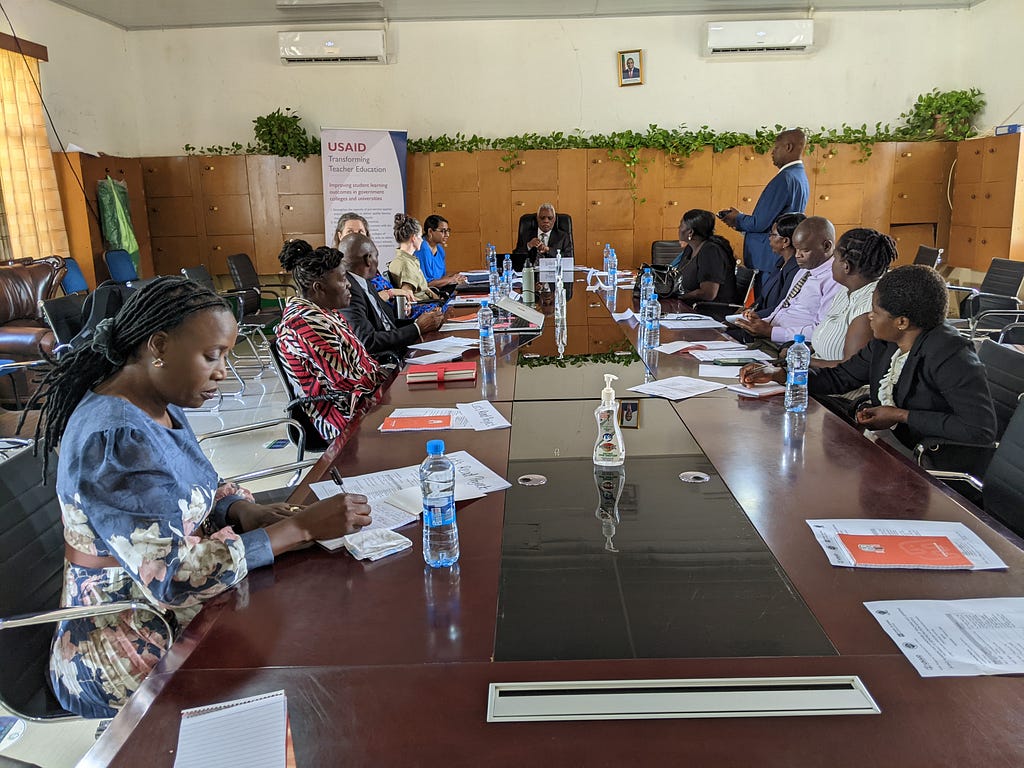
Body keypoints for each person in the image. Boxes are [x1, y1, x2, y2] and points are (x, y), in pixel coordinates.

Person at [24, 276, 371, 717]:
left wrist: (242, 509)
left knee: (315, 619)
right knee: (307, 661)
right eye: (212, 356)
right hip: (124, 640)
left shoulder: (157, 403)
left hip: (174, 606)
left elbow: (199, 484)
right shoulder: (114, 438)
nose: (223, 372)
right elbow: (170, 579)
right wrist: (297, 528)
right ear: (160, 347)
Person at [739, 265, 997, 453]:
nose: (870, 317)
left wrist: (900, 415)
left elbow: (980, 430)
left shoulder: (950, 354)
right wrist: (780, 374)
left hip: (929, 461)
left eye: (875, 312)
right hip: (887, 446)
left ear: (902, 322)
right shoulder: (886, 343)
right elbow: (840, 377)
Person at [276, 240, 391, 442]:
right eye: (343, 279)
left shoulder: (326, 312)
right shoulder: (305, 324)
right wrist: (389, 379)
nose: (348, 284)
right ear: (319, 287)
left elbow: (361, 363)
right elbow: (346, 383)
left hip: (365, 401)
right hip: (341, 418)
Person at [720, 128, 810, 298]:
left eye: (776, 148)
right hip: (780, 251)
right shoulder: (800, 177)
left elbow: (760, 223)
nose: (772, 152)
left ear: (788, 147)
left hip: (768, 256)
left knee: (766, 303)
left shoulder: (784, 179)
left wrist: (737, 219)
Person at [731, 216, 842, 345]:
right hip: (771, 336)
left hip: (792, 345)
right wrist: (762, 322)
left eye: (805, 250)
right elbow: (785, 306)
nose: (797, 255)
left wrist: (771, 332)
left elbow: (822, 330)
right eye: (796, 248)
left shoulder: (835, 279)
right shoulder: (805, 270)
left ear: (827, 246)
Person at [339, 232, 444, 357]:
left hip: (398, 347)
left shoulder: (363, 281)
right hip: (386, 359)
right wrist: (417, 328)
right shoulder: (348, 290)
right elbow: (368, 341)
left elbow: (387, 324)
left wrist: (423, 322)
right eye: (376, 256)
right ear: (368, 259)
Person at [810, 228, 897, 366]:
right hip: (819, 375)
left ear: (846, 266)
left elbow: (850, 369)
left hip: (843, 385)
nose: (832, 263)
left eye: (834, 258)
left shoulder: (869, 306)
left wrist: (801, 361)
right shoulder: (846, 290)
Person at [332, 212, 416, 306]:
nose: (356, 235)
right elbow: (364, 301)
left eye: (360, 232)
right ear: (340, 236)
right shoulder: (338, 270)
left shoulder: (370, 261)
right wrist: (391, 293)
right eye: (350, 232)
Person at [669, 209, 739, 305]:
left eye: (681, 225)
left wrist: (680, 297)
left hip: (708, 310)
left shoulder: (710, 251)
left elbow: (708, 294)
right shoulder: (690, 248)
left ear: (690, 232)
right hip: (687, 305)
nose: (678, 228)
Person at [753, 212, 806, 317]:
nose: (769, 238)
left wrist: (754, 316)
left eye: (772, 235)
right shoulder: (780, 263)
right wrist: (749, 310)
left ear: (785, 241)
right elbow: (762, 298)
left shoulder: (797, 270)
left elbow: (781, 307)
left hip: (770, 325)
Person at [390, 213, 444, 304]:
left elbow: (424, 287)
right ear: (414, 238)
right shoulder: (405, 264)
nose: (422, 240)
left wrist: (436, 298)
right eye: (419, 236)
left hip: (430, 301)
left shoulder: (411, 260)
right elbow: (409, 297)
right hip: (424, 307)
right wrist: (434, 302)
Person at [415, 215, 467, 290]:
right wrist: (451, 279)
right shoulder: (422, 249)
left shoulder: (439, 249)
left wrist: (459, 274)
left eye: (448, 230)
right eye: (443, 231)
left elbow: (442, 277)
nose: (447, 235)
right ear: (430, 231)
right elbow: (427, 284)